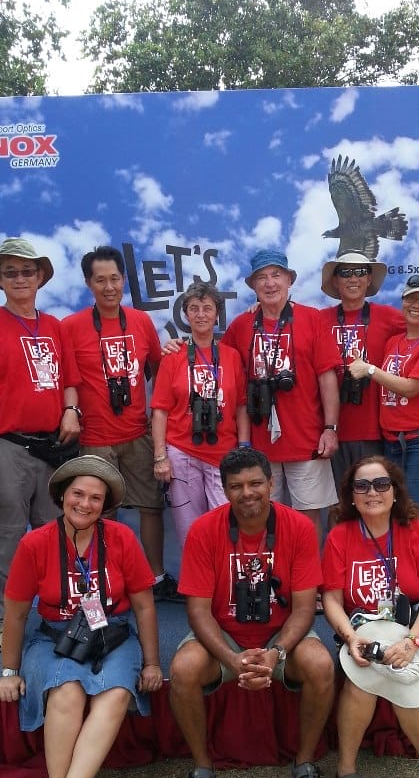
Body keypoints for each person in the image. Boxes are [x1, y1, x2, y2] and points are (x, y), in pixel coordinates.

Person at [0, 455, 161, 778]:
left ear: (105, 505)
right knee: (66, 690)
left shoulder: (122, 538)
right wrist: (9, 672)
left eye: (95, 498)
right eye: (78, 494)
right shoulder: (35, 544)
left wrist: (153, 664)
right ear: (62, 495)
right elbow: (15, 613)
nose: (85, 504)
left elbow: (143, 606)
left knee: (117, 692)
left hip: (113, 631)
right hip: (54, 634)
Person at [168, 447, 336, 778]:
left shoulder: (299, 527)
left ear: (272, 483)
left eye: (256, 483)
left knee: (320, 664)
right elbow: (197, 610)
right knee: (183, 668)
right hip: (224, 639)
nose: (248, 493)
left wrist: (276, 653)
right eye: (237, 486)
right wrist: (232, 659)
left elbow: (305, 607)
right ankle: (202, 769)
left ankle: (305, 764)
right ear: (224, 490)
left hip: (281, 635)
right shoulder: (203, 530)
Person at [0, 237, 81, 647]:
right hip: (6, 447)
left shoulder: (57, 327)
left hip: (54, 449)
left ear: (41, 276)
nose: (21, 278)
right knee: (7, 539)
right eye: (11, 272)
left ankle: (56, 616)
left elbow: (71, 384)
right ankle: (6, 628)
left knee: (56, 535)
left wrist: (71, 411)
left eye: (28, 270)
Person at [321, 456, 419, 778]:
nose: (372, 492)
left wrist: (411, 643)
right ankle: (346, 770)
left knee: (408, 683)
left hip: (413, 628)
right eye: (361, 486)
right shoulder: (339, 536)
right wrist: (349, 638)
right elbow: (330, 599)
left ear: (395, 492)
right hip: (358, 630)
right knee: (360, 684)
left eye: (381, 484)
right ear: (350, 496)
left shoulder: (417, 532)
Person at [61, 246, 178, 602]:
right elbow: (68, 380)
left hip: (137, 433)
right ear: (88, 283)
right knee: (98, 511)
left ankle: (156, 578)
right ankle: (105, 580)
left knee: (151, 507)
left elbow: (159, 369)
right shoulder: (71, 327)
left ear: (124, 280)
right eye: (101, 280)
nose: (109, 286)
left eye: (115, 278)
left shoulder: (140, 321)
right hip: (95, 438)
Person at [221, 249, 341, 542]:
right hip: (259, 444)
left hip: (307, 438)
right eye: (262, 277)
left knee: (309, 515)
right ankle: (267, 581)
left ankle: (309, 583)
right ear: (253, 286)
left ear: (289, 280)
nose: (270, 283)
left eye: (276, 275)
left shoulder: (312, 319)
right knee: (260, 514)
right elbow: (218, 366)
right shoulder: (241, 325)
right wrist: (178, 347)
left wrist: (330, 428)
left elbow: (327, 378)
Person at [319, 255, 419, 508]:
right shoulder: (319, 319)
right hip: (333, 432)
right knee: (340, 509)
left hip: (377, 434)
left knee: (385, 509)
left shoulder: (389, 317)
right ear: (335, 280)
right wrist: (257, 309)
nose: (353, 278)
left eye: (360, 271)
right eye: (345, 273)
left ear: (369, 278)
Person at [348, 275, 419, 533]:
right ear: (402, 301)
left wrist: (369, 369)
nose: (416, 305)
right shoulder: (393, 341)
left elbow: (412, 388)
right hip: (392, 440)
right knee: (397, 514)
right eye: (411, 299)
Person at [150, 282, 249, 547]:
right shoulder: (173, 357)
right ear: (186, 315)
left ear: (217, 313)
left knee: (228, 523)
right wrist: (160, 457)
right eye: (194, 308)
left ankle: (225, 585)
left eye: (208, 308)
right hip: (182, 453)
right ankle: (195, 587)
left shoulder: (231, 356)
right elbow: (160, 411)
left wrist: (244, 449)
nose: (201, 314)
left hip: (224, 455)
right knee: (189, 528)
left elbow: (240, 406)